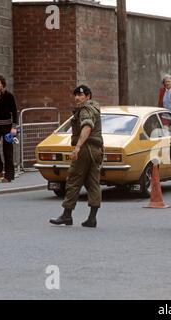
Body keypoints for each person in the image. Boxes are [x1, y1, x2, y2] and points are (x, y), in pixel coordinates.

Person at [50, 85, 104, 228]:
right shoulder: (94, 108)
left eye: (81, 95)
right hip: (96, 150)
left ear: (88, 96)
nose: (77, 98)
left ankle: (67, 215)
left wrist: (78, 147)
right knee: (93, 183)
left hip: (86, 149)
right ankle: (92, 218)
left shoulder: (85, 110)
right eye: (76, 95)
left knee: (73, 180)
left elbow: (87, 127)